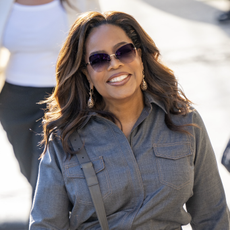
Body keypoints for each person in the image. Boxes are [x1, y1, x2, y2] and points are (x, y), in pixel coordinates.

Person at [30, 11, 230, 229]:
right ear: (86, 74)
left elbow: (213, 216)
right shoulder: (65, 139)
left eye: (124, 52)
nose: (115, 64)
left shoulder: (184, 122)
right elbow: (46, 225)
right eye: (98, 59)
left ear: (140, 57)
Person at [0, 0, 101, 195]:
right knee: (30, 172)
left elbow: (101, 37)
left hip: (64, 97)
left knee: (45, 175)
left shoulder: (79, 2)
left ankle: (45, 223)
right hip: (14, 102)